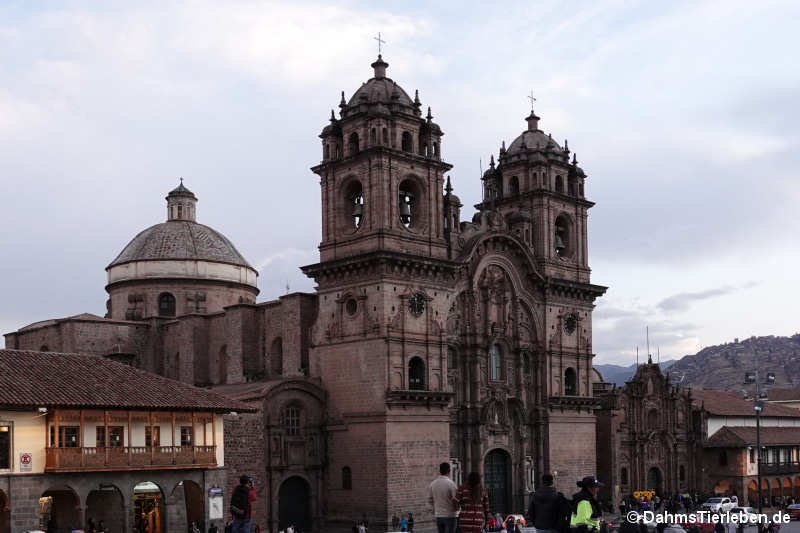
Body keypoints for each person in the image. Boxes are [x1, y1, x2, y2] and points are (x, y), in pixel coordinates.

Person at [428, 462, 458, 533]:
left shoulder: (433, 484)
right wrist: (457, 510)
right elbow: (456, 500)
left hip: (438, 515)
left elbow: (430, 500)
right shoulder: (451, 484)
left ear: (440, 471)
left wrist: (435, 509)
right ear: (449, 471)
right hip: (450, 515)